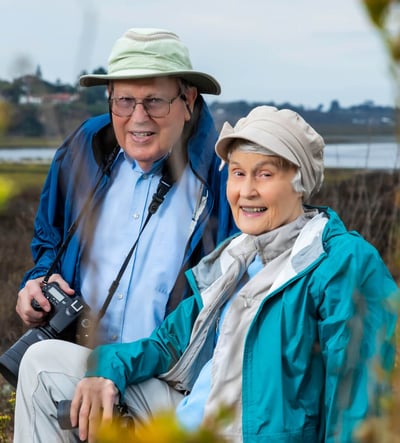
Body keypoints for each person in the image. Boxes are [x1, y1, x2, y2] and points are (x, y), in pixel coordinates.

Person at [14, 106, 398, 442]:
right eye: (237, 173)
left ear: (301, 182)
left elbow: (357, 397)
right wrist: (105, 372)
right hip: (188, 423)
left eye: (264, 175)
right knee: (43, 362)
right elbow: (165, 346)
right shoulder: (233, 258)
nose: (245, 191)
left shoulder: (341, 260)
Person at [14, 28, 237, 346]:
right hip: (80, 361)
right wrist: (38, 280)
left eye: (155, 102)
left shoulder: (226, 174)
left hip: (168, 383)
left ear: (188, 101)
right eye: (124, 101)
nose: (138, 117)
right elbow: (50, 237)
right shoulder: (84, 147)